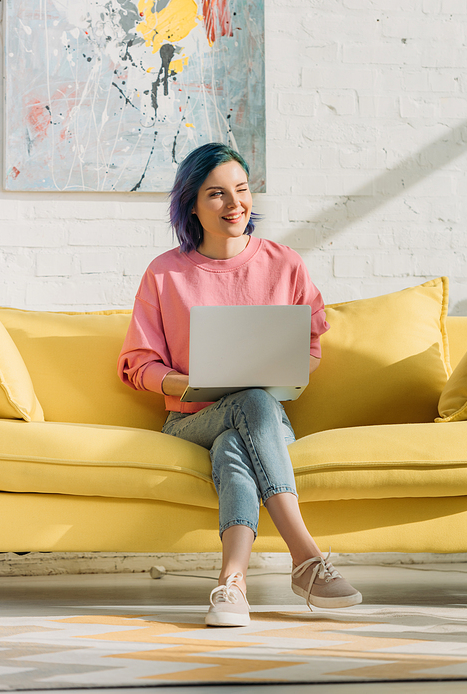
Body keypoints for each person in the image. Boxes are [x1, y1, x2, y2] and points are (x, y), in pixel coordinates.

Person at [118, 142, 362, 627]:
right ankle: (307, 559)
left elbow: (310, 348)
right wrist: (182, 380)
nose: (235, 204)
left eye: (242, 190)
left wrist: (286, 369)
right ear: (191, 204)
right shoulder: (165, 273)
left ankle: (232, 584)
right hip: (189, 421)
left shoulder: (284, 263)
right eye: (216, 194)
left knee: (238, 437)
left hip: (266, 420)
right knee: (242, 405)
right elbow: (136, 363)